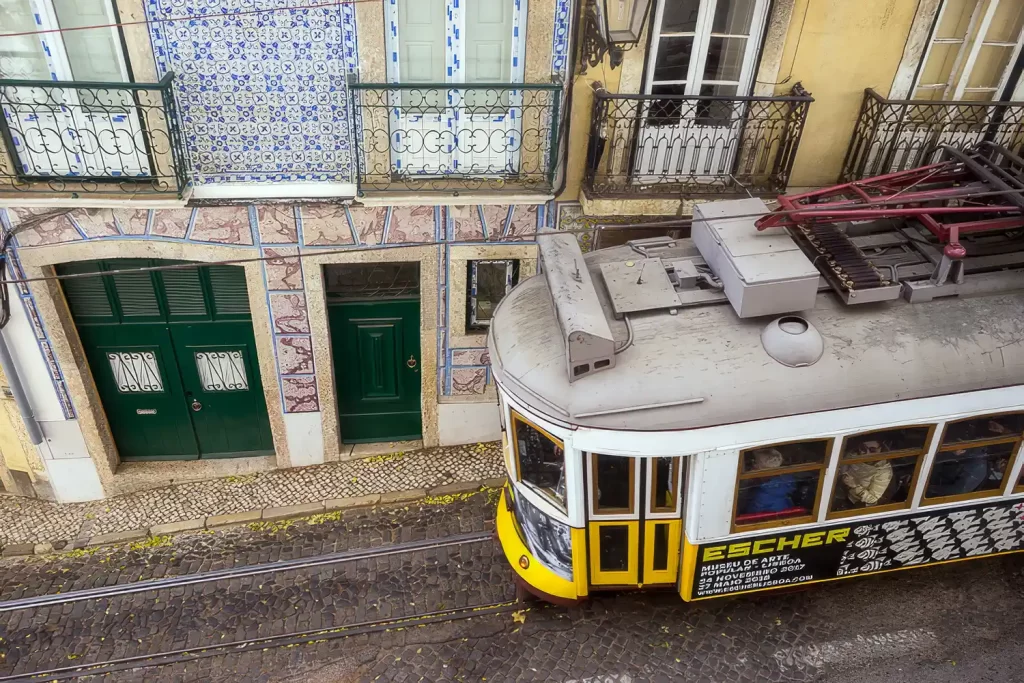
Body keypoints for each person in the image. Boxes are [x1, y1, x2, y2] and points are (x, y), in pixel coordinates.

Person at [839, 439, 893, 507]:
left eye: (872, 450)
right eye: (863, 448)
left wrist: (855, 486)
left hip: (857, 503)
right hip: (840, 490)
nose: (867, 453)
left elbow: (872, 499)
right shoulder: (853, 454)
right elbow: (842, 466)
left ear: (881, 449)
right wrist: (843, 474)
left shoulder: (883, 471)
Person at [743, 449, 798, 514]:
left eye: (754, 462)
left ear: (759, 469)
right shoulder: (787, 482)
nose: (752, 466)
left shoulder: (760, 497)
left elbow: (749, 515)